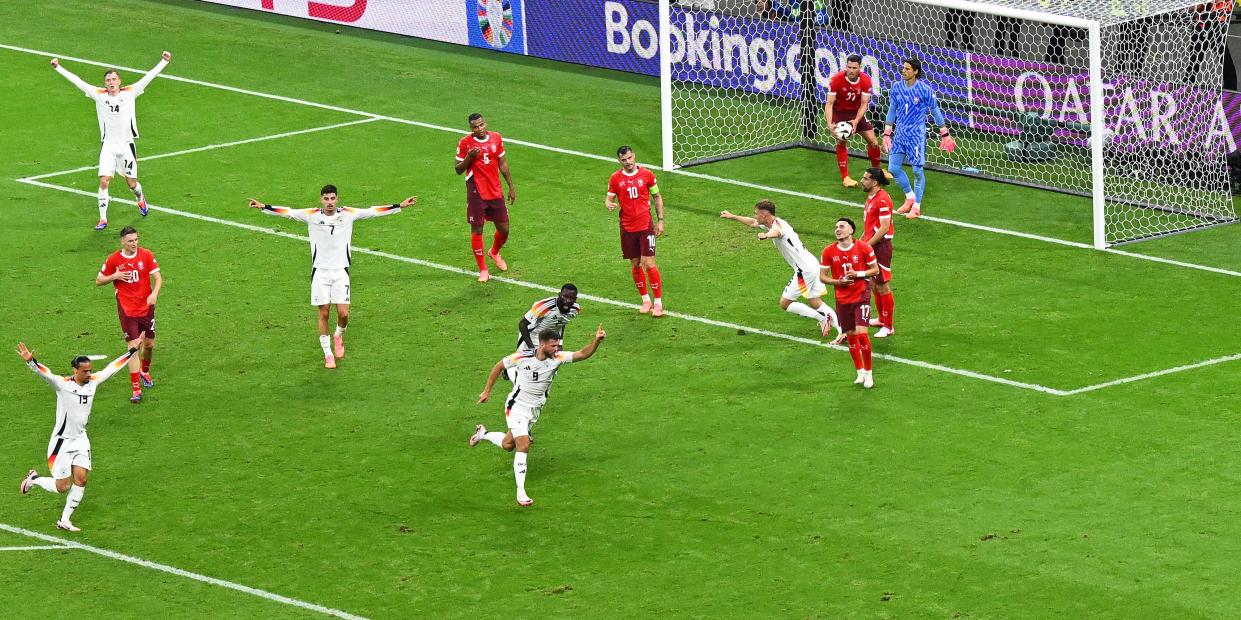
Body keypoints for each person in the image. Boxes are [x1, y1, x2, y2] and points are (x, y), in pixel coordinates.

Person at [248, 186, 416, 368]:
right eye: (326, 199)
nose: (329, 202)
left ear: (337, 199)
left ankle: (338, 335)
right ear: (321, 199)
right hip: (320, 272)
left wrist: (400, 205)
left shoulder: (349, 213)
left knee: (343, 314)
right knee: (324, 312)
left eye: (332, 198)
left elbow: (373, 211)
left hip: (340, 271)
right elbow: (287, 212)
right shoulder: (311, 215)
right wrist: (263, 206)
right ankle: (328, 354)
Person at [470, 325, 607, 507]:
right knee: (524, 445)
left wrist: (596, 341)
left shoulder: (557, 358)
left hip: (534, 411)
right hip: (516, 406)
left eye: (558, 345)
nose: (557, 349)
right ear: (542, 345)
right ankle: (521, 492)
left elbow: (582, 354)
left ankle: (483, 434)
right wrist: (487, 391)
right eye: (553, 346)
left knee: (508, 445)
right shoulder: (522, 357)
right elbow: (499, 366)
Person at [16, 342, 136, 532]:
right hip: (62, 442)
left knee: (81, 480)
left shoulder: (93, 382)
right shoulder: (63, 385)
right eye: (85, 371)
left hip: (80, 440)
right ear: (75, 370)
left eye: (90, 371)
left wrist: (132, 351)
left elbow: (112, 368)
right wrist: (31, 361)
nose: (89, 374)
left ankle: (64, 520)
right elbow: (46, 374)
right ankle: (34, 479)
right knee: (62, 486)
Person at [51, 52, 171, 230]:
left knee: (132, 184)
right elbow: (78, 81)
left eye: (114, 79)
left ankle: (140, 199)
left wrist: (164, 62)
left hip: (126, 146)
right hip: (108, 146)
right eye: (108, 80)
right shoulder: (99, 95)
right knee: (104, 180)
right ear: (105, 83)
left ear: (119, 81)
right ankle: (103, 219)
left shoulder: (130, 92)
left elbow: (148, 77)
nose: (111, 82)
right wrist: (58, 67)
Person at [719, 200, 840, 340]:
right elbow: (753, 223)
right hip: (812, 264)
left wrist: (766, 235)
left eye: (757, 213)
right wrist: (733, 216)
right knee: (814, 300)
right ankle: (841, 330)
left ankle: (823, 318)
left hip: (804, 270)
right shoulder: (770, 223)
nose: (755, 216)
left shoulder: (778, 226)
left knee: (785, 303)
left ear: (765, 214)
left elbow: (777, 233)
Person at [882, 57, 956, 220]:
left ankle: (917, 206)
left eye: (907, 69)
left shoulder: (924, 90)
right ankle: (910, 197)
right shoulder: (896, 88)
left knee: (917, 170)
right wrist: (887, 133)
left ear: (915, 71)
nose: (903, 71)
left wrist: (944, 133)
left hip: (916, 135)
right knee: (893, 168)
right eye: (903, 68)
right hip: (900, 134)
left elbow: (935, 110)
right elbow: (892, 109)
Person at [96, 226, 162, 403]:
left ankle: (145, 371)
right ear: (123, 242)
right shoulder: (114, 260)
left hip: (146, 307)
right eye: (130, 241)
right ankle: (136, 390)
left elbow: (158, 278)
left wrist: (154, 294)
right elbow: (99, 280)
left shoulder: (146, 255)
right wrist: (114, 276)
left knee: (149, 345)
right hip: (127, 309)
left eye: (136, 240)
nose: (134, 243)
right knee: (133, 347)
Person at [455, 112, 516, 283]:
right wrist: (469, 157)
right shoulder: (465, 143)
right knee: (477, 230)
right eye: (475, 127)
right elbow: (458, 169)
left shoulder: (496, 138)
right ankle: (483, 269)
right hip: (476, 192)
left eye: (481, 125)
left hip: (495, 191)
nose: (479, 129)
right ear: (470, 128)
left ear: (485, 123)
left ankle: (494, 252)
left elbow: (502, 163)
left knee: (504, 229)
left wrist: (511, 186)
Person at [606, 146, 667, 316]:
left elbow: (657, 197)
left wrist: (660, 220)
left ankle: (658, 304)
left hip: (645, 226)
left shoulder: (647, 175)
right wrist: (608, 203)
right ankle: (645, 301)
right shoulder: (615, 178)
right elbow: (609, 197)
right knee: (636, 264)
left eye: (630, 158)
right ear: (619, 161)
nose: (628, 162)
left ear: (634, 156)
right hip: (627, 228)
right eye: (624, 160)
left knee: (649, 263)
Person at [819, 218, 879, 388]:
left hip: (861, 295)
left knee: (862, 334)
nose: (837, 229)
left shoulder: (864, 248)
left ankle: (869, 374)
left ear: (851, 230)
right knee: (851, 336)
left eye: (841, 226)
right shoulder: (828, 251)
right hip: (842, 299)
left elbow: (875, 270)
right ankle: (859, 371)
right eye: (836, 227)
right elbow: (822, 276)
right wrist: (838, 283)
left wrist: (858, 274)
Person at [825, 54, 886, 188]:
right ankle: (845, 177)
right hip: (840, 113)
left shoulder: (865, 80)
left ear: (859, 68)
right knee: (842, 140)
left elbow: (864, 104)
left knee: (874, 142)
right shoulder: (836, 80)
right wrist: (830, 124)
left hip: (857, 113)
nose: (851, 70)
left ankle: (877, 172)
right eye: (849, 67)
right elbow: (829, 104)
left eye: (854, 68)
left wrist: (856, 121)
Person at [859, 168, 896, 338]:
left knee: (882, 285)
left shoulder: (883, 200)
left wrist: (867, 246)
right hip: (871, 244)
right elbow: (870, 226)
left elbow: (883, 228)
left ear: (875, 182)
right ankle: (882, 319)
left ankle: (888, 327)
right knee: (874, 284)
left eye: (866, 179)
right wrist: (860, 242)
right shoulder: (871, 197)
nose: (861, 181)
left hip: (881, 247)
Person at [516, 284, 581, 356]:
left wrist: (559, 343)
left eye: (571, 298)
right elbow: (522, 324)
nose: (567, 300)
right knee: (523, 365)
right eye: (565, 296)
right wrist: (532, 348)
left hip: (550, 340)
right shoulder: (544, 306)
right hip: (532, 337)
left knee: (550, 366)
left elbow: (561, 323)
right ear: (559, 295)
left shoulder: (575, 309)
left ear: (575, 299)